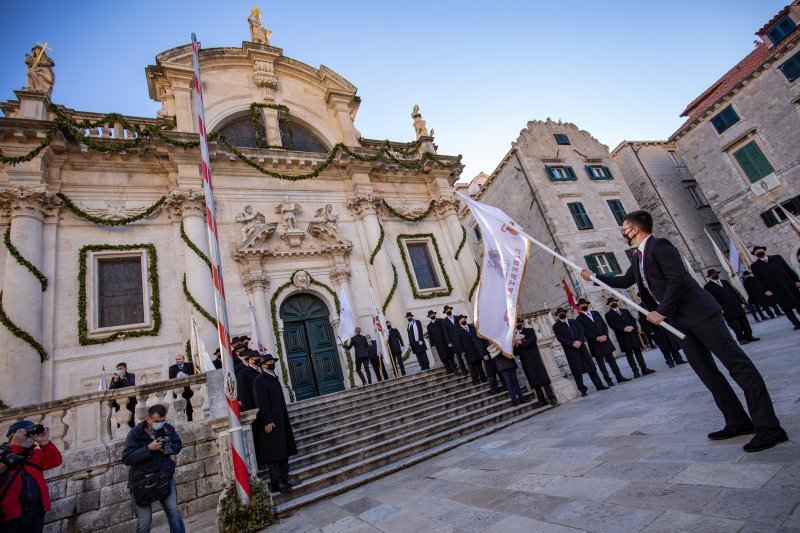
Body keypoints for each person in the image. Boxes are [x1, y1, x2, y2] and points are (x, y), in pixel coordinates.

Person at [582, 210, 787, 452]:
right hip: (680, 324)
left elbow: (676, 279)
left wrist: (661, 311)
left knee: (737, 365)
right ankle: (738, 421)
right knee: (707, 373)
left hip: (700, 315)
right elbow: (625, 282)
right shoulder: (637, 257)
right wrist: (594, 276)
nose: (622, 233)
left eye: (624, 229)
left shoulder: (661, 246)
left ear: (634, 230)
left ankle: (769, 427)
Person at [122, 404, 185, 533]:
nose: (160, 424)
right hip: (142, 482)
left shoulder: (167, 429)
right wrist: (148, 449)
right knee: (145, 521)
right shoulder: (135, 434)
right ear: (148, 419)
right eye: (157, 421)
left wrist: (167, 449)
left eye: (163, 421)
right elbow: (127, 458)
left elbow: (177, 445)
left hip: (163, 477)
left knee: (173, 511)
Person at [0, 421, 62, 533]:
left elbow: (55, 461)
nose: (29, 437)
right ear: (11, 436)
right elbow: (8, 463)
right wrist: (15, 446)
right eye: (25, 433)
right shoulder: (2, 453)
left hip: (34, 512)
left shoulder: (35, 454)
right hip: (9, 516)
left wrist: (45, 442)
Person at [253, 354, 297, 493]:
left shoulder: (274, 378)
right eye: (269, 362)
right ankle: (276, 482)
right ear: (263, 365)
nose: (272, 363)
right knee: (274, 453)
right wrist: (267, 421)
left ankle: (285, 477)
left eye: (273, 361)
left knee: (283, 450)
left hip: (281, 420)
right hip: (271, 422)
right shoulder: (260, 380)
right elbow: (262, 402)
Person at [575, 298, 631, 387]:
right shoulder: (578, 319)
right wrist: (597, 338)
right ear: (579, 307)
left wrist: (605, 335)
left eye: (585, 304)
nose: (584, 306)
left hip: (605, 340)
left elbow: (604, 324)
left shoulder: (596, 313)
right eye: (581, 305)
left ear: (587, 304)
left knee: (612, 361)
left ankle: (619, 377)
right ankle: (608, 380)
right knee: (601, 364)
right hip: (595, 343)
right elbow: (584, 331)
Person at [552, 308, 607, 396]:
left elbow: (581, 331)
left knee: (591, 367)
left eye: (563, 312)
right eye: (560, 313)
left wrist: (580, 341)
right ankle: (583, 390)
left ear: (566, 313)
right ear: (557, 315)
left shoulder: (573, 321)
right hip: (570, 349)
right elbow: (560, 338)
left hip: (581, 346)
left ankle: (599, 385)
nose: (562, 314)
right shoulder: (556, 326)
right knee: (577, 371)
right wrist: (571, 343)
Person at [750, 245, 800, 330]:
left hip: (789, 284)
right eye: (757, 252)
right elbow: (759, 280)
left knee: (798, 303)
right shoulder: (755, 266)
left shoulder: (777, 258)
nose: (759, 252)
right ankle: (796, 323)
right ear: (755, 254)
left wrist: (796, 280)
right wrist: (766, 290)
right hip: (776, 289)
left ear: (764, 250)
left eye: (760, 250)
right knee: (786, 308)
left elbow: (788, 269)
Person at [703, 269, 759, 344]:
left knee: (745, 323)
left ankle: (749, 336)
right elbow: (712, 299)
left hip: (737, 305)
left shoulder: (725, 282)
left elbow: (734, 292)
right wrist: (719, 308)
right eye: (713, 275)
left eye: (716, 273)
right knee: (736, 326)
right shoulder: (708, 286)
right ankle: (741, 339)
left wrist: (741, 302)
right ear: (709, 277)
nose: (715, 275)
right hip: (726, 309)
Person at [605, 298, 656, 378]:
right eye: (611, 302)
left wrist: (632, 326)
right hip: (623, 336)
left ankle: (644, 368)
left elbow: (632, 319)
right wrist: (624, 328)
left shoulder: (624, 311)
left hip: (632, 334)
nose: (613, 303)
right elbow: (612, 325)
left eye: (614, 301)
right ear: (609, 305)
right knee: (629, 354)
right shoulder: (608, 315)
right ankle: (635, 371)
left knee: (638, 351)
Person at [513, 318, 558, 406]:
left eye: (518, 322)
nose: (517, 324)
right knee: (533, 381)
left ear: (521, 323)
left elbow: (532, 341)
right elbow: (516, 352)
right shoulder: (514, 336)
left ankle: (551, 397)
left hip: (534, 357)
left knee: (543, 378)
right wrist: (515, 345)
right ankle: (541, 400)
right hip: (525, 360)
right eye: (516, 323)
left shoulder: (529, 330)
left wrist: (522, 342)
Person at [451, 315, 488, 385]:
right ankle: (475, 380)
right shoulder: (457, 331)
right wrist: (462, 351)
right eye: (461, 320)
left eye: (464, 319)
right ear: (459, 322)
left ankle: (484, 378)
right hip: (467, 351)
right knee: (472, 367)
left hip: (476, 349)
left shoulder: (471, 327)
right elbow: (458, 342)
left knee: (479, 365)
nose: (463, 320)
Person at [440, 306, 468, 374]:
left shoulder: (457, 317)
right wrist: (449, 342)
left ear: (451, 310)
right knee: (458, 356)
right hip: (453, 341)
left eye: (449, 309)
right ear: (445, 313)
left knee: (466, 353)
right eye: (447, 310)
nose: (448, 311)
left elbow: (462, 326)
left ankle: (470, 366)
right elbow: (445, 332)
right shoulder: (444, 321)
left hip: (461, 339)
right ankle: (463, 369)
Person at [109, 361, 137, 428]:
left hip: (131, 402)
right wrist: (115, 380)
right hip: (118, 403)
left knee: (131, 420)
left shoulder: (131, 376)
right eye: (117, 369)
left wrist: (122, 379)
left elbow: (131, 386)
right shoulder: (114, 378)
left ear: (125, 369)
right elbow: (111, 389)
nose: (119, 370)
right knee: (119, 421)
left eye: (121, 369)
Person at [168, 355, 195, 422]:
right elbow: (171, 378)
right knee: (180, 407)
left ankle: (190, 419)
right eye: (177, 359)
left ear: (183, 359)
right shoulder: (172, 368)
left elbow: (192, 374)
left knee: (189, 406)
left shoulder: (189, 365)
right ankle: (181, 420)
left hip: (188, 389)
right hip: (178, 390)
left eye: (180, 359)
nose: (178, 360)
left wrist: (186, 376)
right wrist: (177, 377)